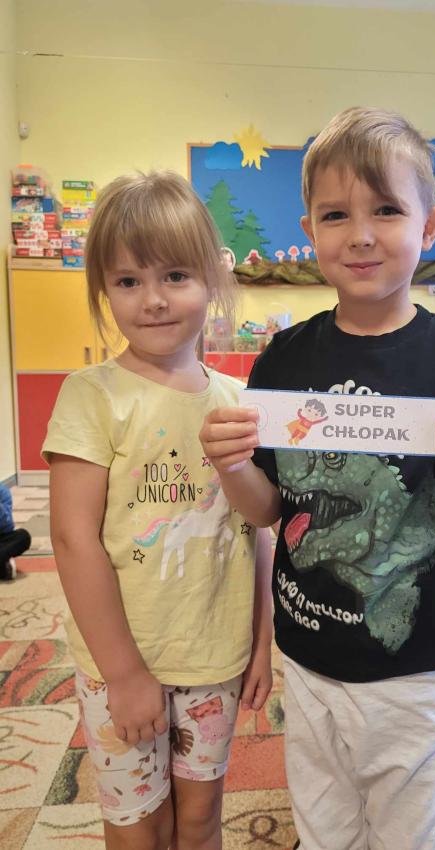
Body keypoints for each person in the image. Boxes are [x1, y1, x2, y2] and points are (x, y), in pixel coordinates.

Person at [200, 107, 435, 850]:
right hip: (308, 650)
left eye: (387, 210)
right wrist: (232, 464)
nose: (362, 234)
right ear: (310, 230)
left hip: (421, 663)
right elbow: (268, 509)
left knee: (407, 832)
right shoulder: (284, 358)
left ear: (430, 225)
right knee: (324, 823)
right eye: (336, 214)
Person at [43, 171, 273, 850]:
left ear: (212, 278)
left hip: (215, 656)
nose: (153, 299)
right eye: (128, 280)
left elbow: (256, 530)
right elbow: (73, 539)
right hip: (121, 660)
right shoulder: (91, 395)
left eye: (175, 275)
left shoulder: (237, 400)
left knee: (200, 818)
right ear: (103, 289)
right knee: (138, 827)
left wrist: (261, 641)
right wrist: (123, 673)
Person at [0, 483, 31, 581]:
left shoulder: (3, 492)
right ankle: (3, 567)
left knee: (23, 536)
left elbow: (8, 526)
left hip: (2, 536)